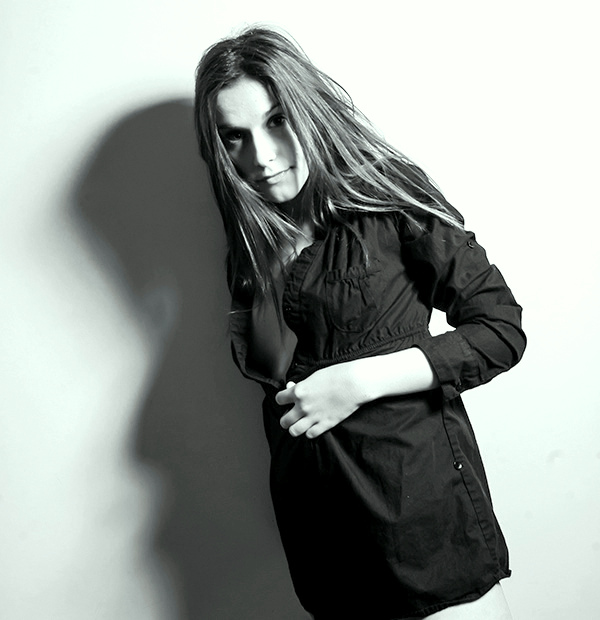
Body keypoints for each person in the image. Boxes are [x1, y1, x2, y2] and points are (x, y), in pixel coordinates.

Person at [194, 26, 526, 620]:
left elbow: (499, 329)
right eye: (234, 136)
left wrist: (359, 382)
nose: (261, 156)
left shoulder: (385, 198)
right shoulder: (250, 244)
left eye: (277, 121)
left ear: (308, 111)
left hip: (421, 525)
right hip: (325, 544)